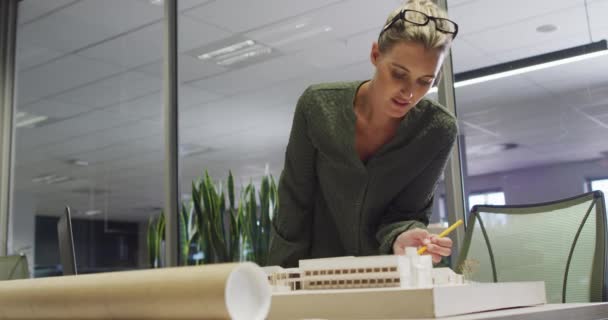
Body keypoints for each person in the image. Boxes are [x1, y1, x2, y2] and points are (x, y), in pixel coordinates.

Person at [268, 0, 459, 268]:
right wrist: (281, 287)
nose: (409, 92)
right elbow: (294, 205)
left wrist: (403, 237)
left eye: (425, 81)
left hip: (386, 276)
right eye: (398, 74)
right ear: (375, 54)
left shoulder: (438, 130)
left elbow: (406, 213)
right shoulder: (317, 106)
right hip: (316, 275)